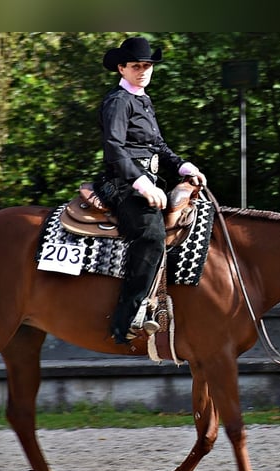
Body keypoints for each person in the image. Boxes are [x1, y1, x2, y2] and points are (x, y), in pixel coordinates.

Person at [95, 36, 207, 344]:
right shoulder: (118, 101)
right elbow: (115, 149)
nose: (142, 71)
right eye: (136, 66)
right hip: (121, 183)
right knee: (152, 234)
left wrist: (184, 166)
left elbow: (157, 146)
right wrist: (141, 182)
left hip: (149, 180)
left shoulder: (142, 99)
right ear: (122, 68)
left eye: (147, 66)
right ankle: (127, 318)